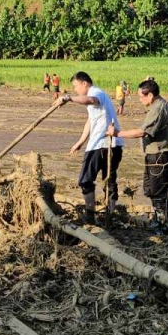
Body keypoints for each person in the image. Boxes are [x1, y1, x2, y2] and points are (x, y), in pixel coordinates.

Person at [54, 71, 122, 225]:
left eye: (76, 86)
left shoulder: (94, 92)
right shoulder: (100, 97)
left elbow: (90, 100)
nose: (76, 90)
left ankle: (91, 214)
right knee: (109, 181)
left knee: (86, 180)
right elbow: (90, 121)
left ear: (84, 83)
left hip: (101, 145)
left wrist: (68, 97)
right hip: (113, 144)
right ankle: (108, 215)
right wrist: (80, 142)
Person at [107, 79, 168, 231]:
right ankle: (163, 218)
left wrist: (117, 133)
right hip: (158, 154)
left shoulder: (158, 109)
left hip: (159, 155)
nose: (139, 99)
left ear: (150, 95)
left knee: (157, 191)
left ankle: (162, 225)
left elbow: (141, 132)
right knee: (151, 188)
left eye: (141, 96)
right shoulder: (164, 104)